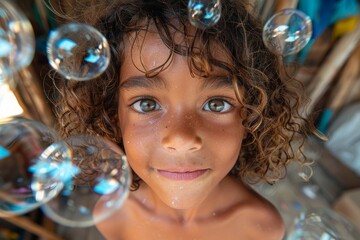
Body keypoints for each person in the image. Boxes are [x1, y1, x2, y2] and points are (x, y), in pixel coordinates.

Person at [51, 0, 321, 239]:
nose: (181, 139)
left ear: (251, 115)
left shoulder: (260, 228)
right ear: (112, 115)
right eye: (147, 104)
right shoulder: (112, 214)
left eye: (217, 104)